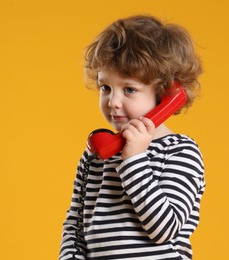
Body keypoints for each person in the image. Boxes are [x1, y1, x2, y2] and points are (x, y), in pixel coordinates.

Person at [59, 14, 205, 260]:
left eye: (129, 89)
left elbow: (164, 229)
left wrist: (135, 160)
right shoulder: (97, 153)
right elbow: (75, 224)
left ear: (165, 93)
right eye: (106, 88)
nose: (113, 102)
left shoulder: (181, 152)